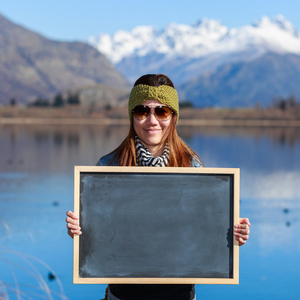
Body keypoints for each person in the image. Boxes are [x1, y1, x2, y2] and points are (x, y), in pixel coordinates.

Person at [66, 74, 251, 300]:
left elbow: (206, 232)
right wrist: (80, 231)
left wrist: (233, 236)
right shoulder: (108, 166)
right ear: (132, 117)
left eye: (161, 111)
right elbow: (97, 240)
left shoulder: (192, 165)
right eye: (142, 111)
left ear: (173, 117)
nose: (152, 120)